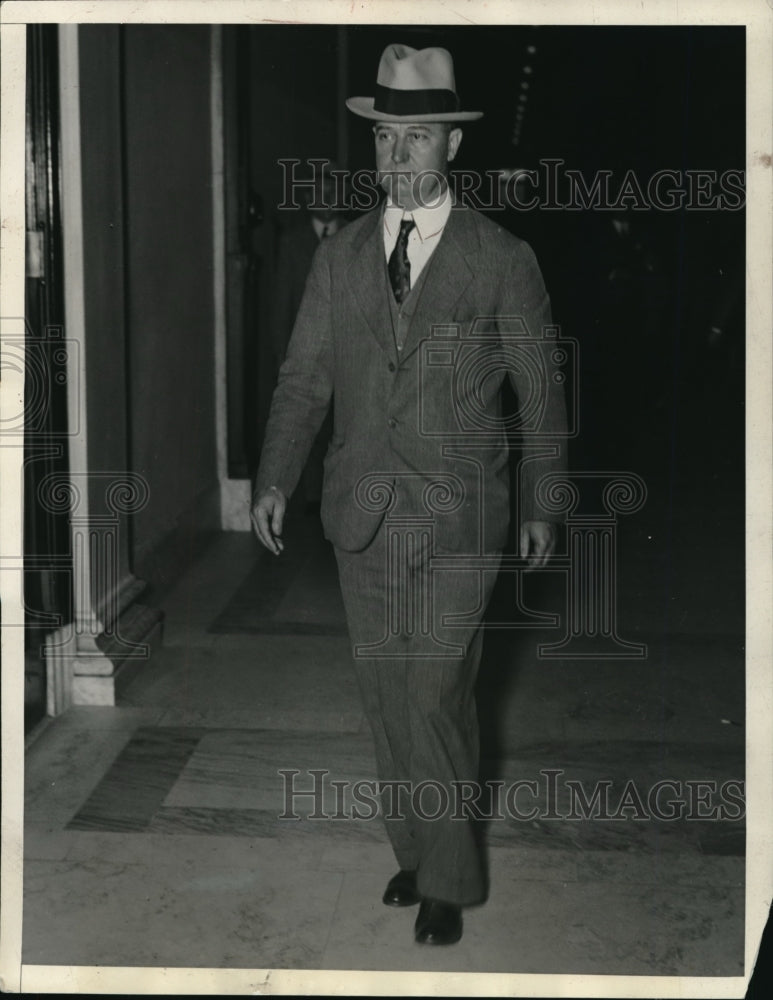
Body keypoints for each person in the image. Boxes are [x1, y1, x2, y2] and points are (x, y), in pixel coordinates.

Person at [252, 43, 567, 946]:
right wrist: (275, 477)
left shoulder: (503, 259)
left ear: (452, 150)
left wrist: (543, 502)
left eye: (416, 138)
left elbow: (541, 393)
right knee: (385, 694)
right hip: (362, 510)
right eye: (385, 138)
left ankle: (449, 880)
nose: (396, 157)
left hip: (461, 517)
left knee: (433, 692)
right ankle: (414, 848)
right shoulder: (342, 259)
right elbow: (304, 379)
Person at [271, 163, 346, 510]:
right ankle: (312, 510)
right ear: (306, 198)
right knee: (308, 434)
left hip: (348, 364)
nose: (327, 199)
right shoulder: (291, 243)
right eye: (319, 192)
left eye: (333, 192)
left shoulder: (356, 237)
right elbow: (280, 309)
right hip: (309, 358)